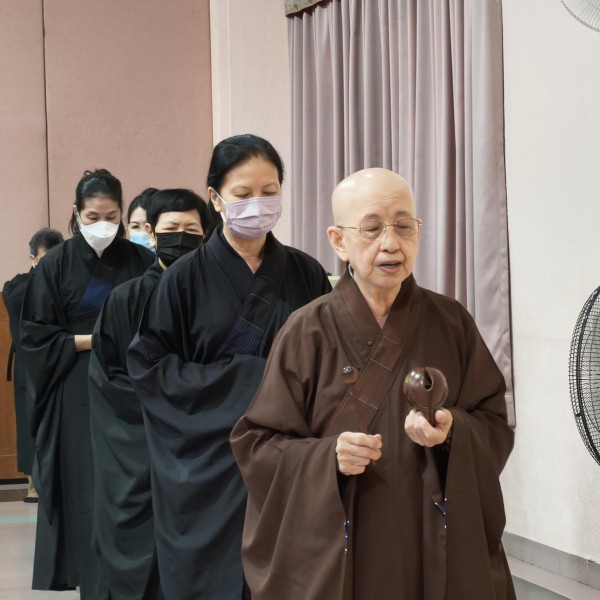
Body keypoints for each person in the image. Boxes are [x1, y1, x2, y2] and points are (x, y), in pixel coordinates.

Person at [231, 168, 516, 600]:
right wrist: (328, 457)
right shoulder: (306, 331)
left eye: (404, 226)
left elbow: (493, 422)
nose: (391, 243)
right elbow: (256, 444)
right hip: (345, 541)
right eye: (371, 228)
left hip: (430, 534)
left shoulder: (451, 322)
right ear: (338, 241)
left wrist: (452, 432)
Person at [127, 134, 332, 600]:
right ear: (216, 198)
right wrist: (256, 380)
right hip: (207, 459)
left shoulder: (306, 273)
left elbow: (330, 360)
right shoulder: (182, 279)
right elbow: (149, 367)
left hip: (287, 456)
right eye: (243, 194)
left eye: (269, 191)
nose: (258, 204)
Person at [20, 169, 154, 598]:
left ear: (122, 212)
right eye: (93, 216)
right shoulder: (55, 264)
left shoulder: (141, 261)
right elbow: (35, 338)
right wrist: (93, 339)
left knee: (135, 486)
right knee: (86, 490)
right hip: (76, 389)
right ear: (76, 213)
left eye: (112, 216)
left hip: (133, 386)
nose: (103, 225)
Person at [88, 189, 211, 600]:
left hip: (204, 441)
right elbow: (108, 377)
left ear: (207, 234)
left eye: (192, 228)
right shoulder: (124, 299)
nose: (182, 237)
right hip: (140, 440)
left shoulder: (215, 296)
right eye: (171, 228)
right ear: (152, 234)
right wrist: (166, 409)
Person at [3, 227, 64, 502]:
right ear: (33, 259)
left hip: (62, 360)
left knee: (61, 419)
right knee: (29, 421)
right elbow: (17, 303)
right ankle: (32, 483)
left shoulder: (68, 283)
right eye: (45, 259)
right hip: (29, 365)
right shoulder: (17, 286)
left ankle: (60, 479)